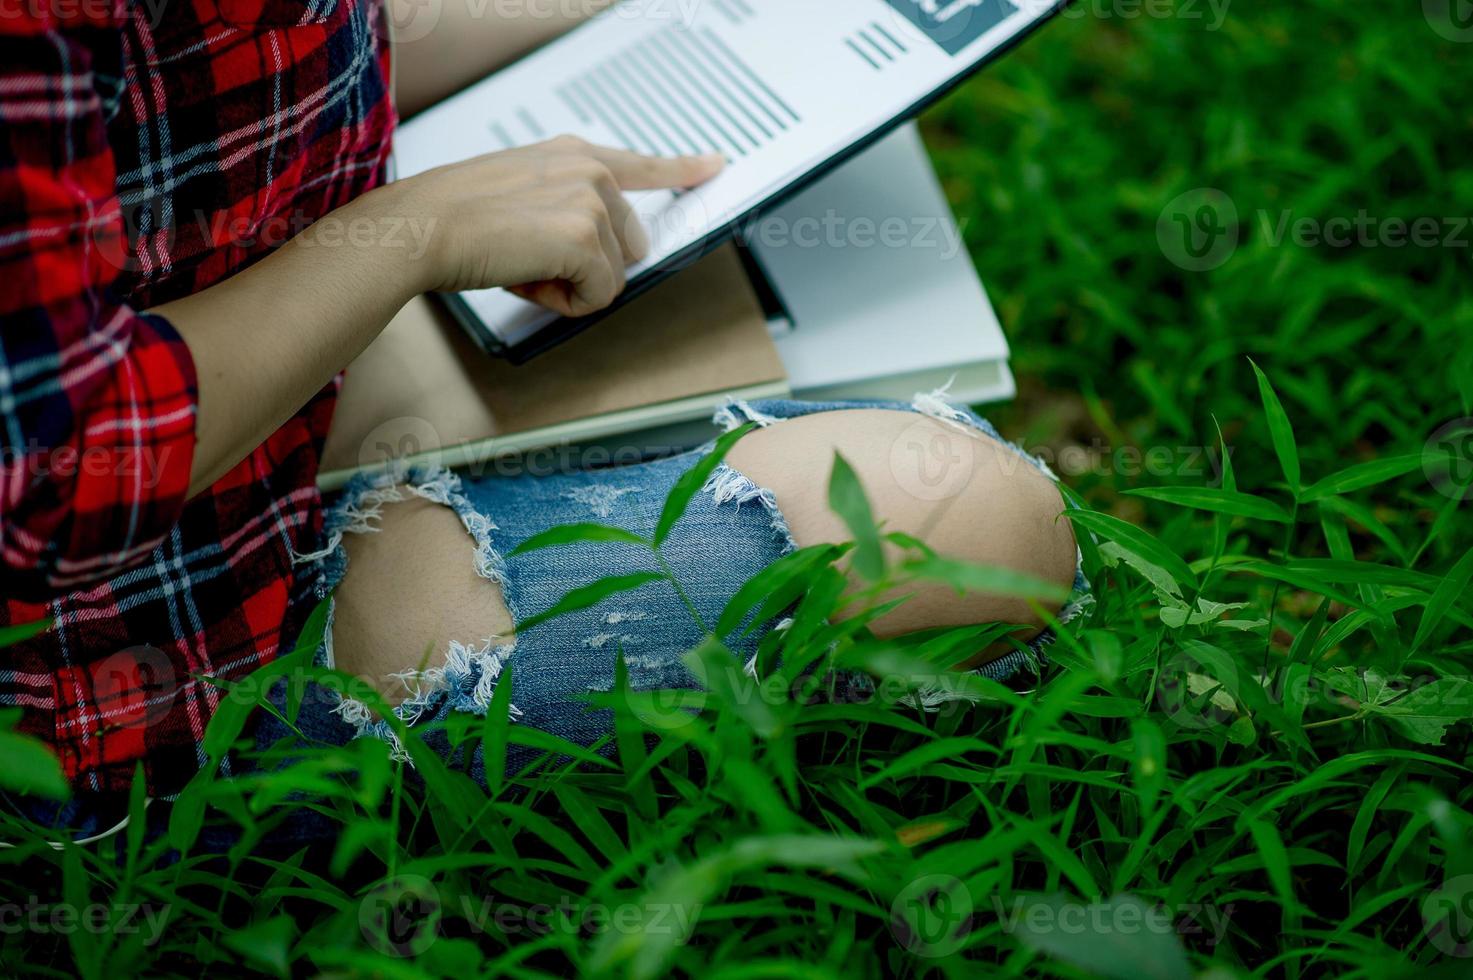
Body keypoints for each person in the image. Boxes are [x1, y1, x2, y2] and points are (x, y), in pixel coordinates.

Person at [0, 1, 1082, 818]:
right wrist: (413, 235)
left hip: (322, 376)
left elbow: (236, 61)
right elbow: (63, 462)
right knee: (972, 526)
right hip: (160, 641)